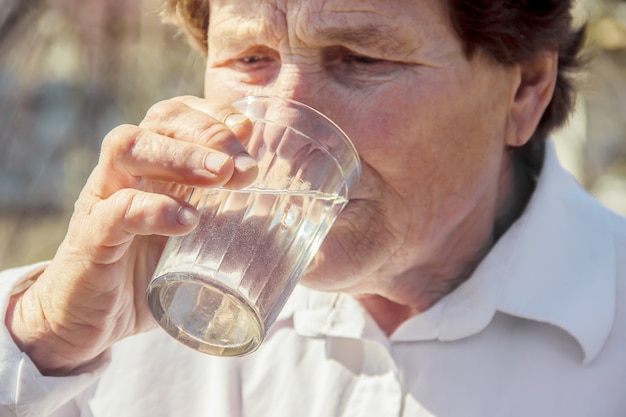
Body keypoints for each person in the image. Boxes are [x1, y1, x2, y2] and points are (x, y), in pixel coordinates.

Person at [1, 0, 626, 415]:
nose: (277, 123)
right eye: (251, 60)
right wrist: (44, 338)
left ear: (524, 89)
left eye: (361, 60)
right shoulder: (115, 321)